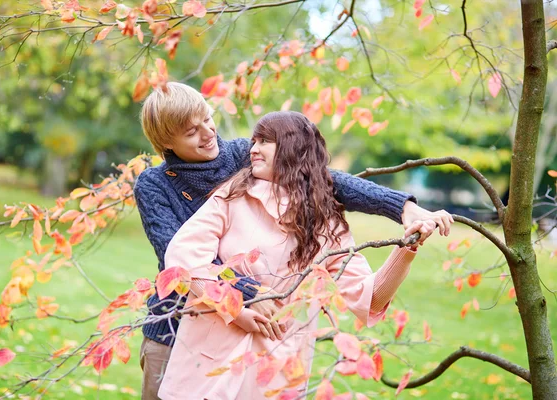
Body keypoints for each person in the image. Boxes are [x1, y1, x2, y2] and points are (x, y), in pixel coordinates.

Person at [134, 83, 453, 399]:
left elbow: (325, 178)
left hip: (260, 344)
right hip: (176, 326)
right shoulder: (158, 185)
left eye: (207, 118)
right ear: (166, 142)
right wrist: (249, 294)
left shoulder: (242, 157)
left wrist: (403, 207)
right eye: (191, 132)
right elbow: (175, 256)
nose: (207, 133)